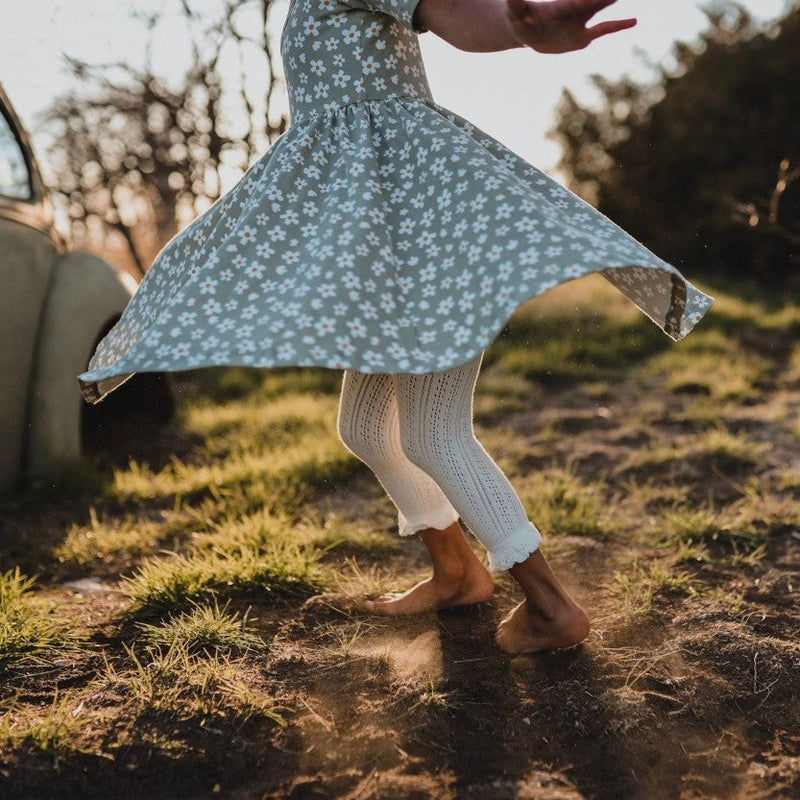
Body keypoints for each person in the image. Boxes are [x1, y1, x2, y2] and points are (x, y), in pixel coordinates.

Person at [79, 0, 713, 653]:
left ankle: (551, 607)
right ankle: (457, 572)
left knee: (434, 434)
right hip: (385, 235)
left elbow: (451, 13)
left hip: (423, 220)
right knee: (363, 428)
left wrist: (515, 28)